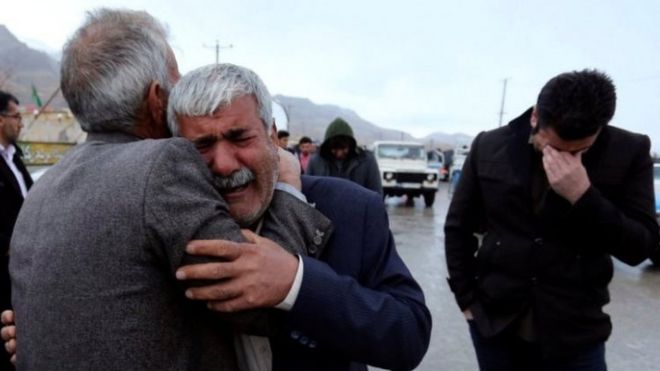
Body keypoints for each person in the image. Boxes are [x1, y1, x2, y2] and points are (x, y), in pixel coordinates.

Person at [7, 9, 331, 371]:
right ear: (157, 98)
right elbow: (261, 299)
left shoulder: (43, 188)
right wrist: (288, 189)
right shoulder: (162, 163)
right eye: (177, 80)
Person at [167, 63, 430, 370]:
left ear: (272, 136)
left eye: (240, 138)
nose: (223, 164)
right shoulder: (166, 222)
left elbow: (408, 336)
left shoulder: (352, 209)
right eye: (203, 145)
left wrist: (297, 282)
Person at [445, 69, 658, 371]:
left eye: (580, 151)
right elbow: (458, 227)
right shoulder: (489, 146)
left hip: (576, 333)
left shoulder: (629, 152)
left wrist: (583, 195)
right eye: (554, 148)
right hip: (495, 324)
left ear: (600, 129)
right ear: (535, 117)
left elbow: (641, 247)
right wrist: (466, 299)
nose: (564, 160)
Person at [0, 91, 32, 371]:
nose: (21, 123)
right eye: (16, 117)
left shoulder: (15, 159)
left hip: (19, 274)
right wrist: (11, 243)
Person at [306, 117, 383, 195]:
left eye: (343, 148)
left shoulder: (367, 161)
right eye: (334, 149)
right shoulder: (315, 161)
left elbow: (376, 194)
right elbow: (307, 191)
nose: (339, 153)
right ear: (327, 146)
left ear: (350, 145)